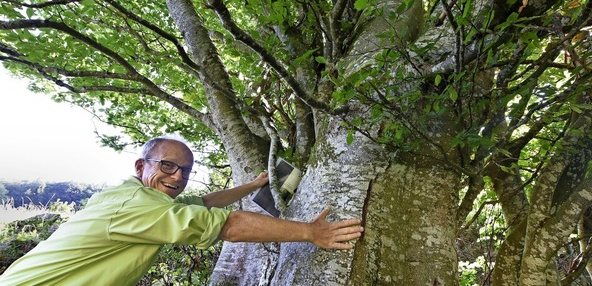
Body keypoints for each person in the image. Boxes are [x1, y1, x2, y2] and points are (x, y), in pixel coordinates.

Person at [0, 137, 363, 285]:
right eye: (168, 166)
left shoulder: (135, 196)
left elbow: (203, 203)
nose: (178, 177)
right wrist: (311, 233)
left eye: (186, 171)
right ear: (141, 166)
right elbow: (229, 225)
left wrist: (254, 185)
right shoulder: (136, 207)